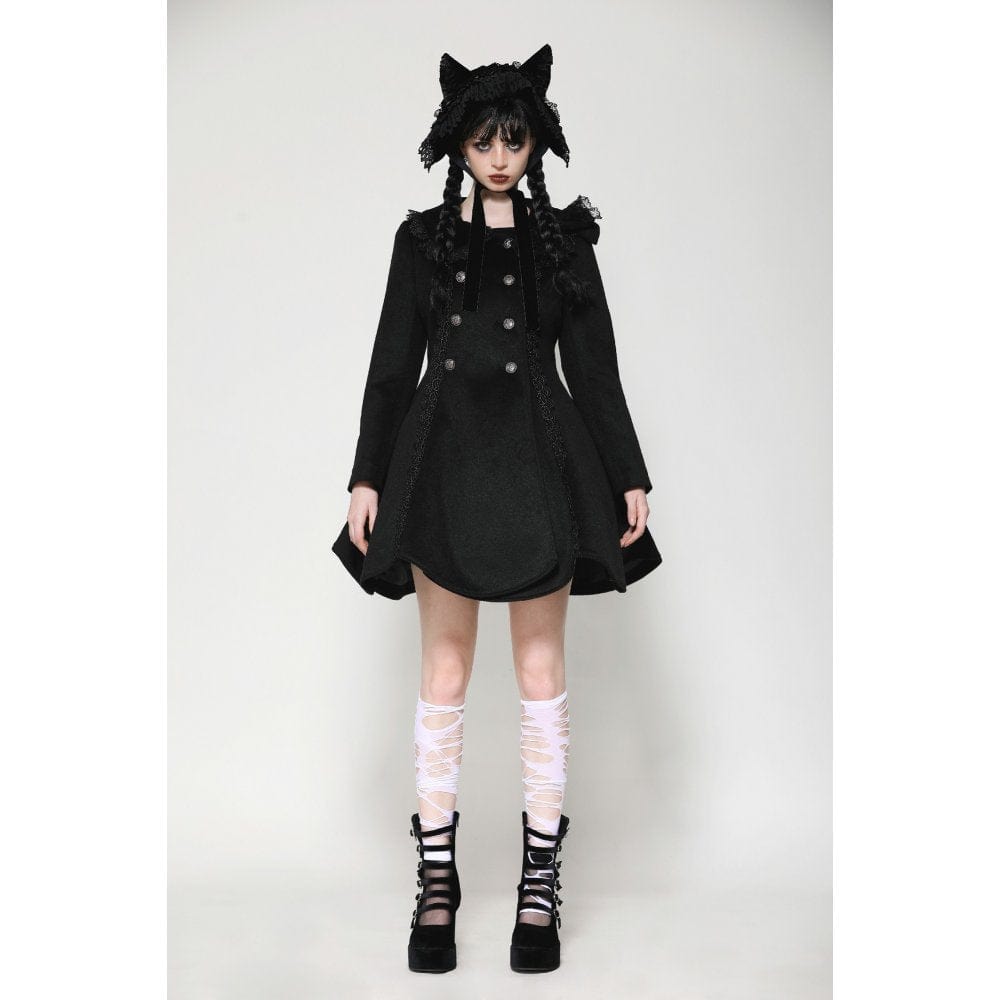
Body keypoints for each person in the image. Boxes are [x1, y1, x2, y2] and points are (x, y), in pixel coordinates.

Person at [331, 43, 662, 974]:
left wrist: (628, 473)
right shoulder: (423, 243)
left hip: (542, 462)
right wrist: (367, 476)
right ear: (457, 145)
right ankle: (437, 880)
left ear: (538, 141)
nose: (501, 157)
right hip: (442, 462)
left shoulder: (564, 242)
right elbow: (390, 365)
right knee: (443, 668)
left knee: (541, 668)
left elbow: (594, 368)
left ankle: (538, 884)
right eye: (484, 140)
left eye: (515, 139)